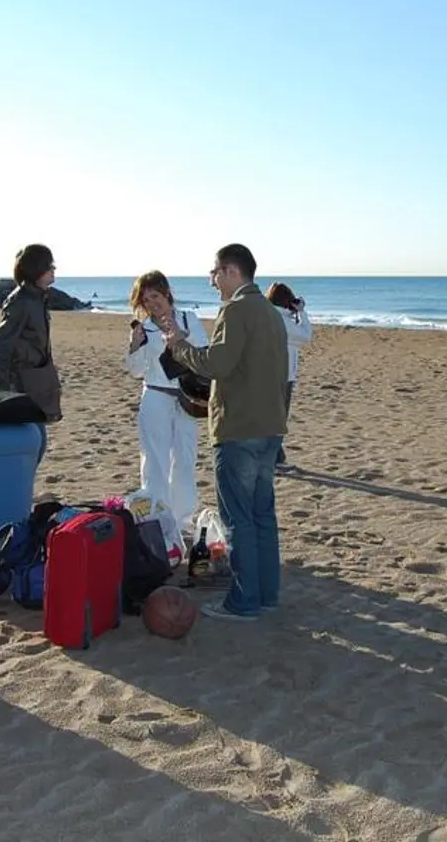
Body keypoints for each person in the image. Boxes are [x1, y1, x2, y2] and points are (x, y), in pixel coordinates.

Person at [164, 244, 288, 622]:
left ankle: (244, 600)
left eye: (215, 272)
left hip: (239, 427)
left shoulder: (236, 310)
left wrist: (180, 348)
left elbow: (217, 363)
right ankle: (267, 593)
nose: (212, 279)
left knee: (239, 519)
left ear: (233, 272)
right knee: (262, 514)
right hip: (270, 426)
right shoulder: (270, 312)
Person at [124, 271, 209, 562]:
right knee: (155, 463)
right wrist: (135, 346)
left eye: (156, 297)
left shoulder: (188, 319)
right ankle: (157, 524)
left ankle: (181, 522)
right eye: (146, 300)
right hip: (156, 397)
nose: (152, 305)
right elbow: (136, 370)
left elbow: (205, 354)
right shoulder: (143, 329)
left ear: (167, 294)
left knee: (185, 459)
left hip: (187, 398)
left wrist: (181, 339)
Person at [0, 244, 61, 459]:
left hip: (36, 380)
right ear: (37, 270)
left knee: (36, 442)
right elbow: (1, 346)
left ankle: (22, 487)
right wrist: (2, 390)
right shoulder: (21, 301)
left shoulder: (38, 298)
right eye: (50, 266)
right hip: (21, 383)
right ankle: (17, 488)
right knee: (31, 443)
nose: (54, 270)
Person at [265, 282, 312, 470]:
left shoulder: (267, 317)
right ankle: (274, 459)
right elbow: (306, 336)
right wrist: (302, 312)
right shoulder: (283, 322)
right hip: (281, 376)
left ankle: (275, 456)